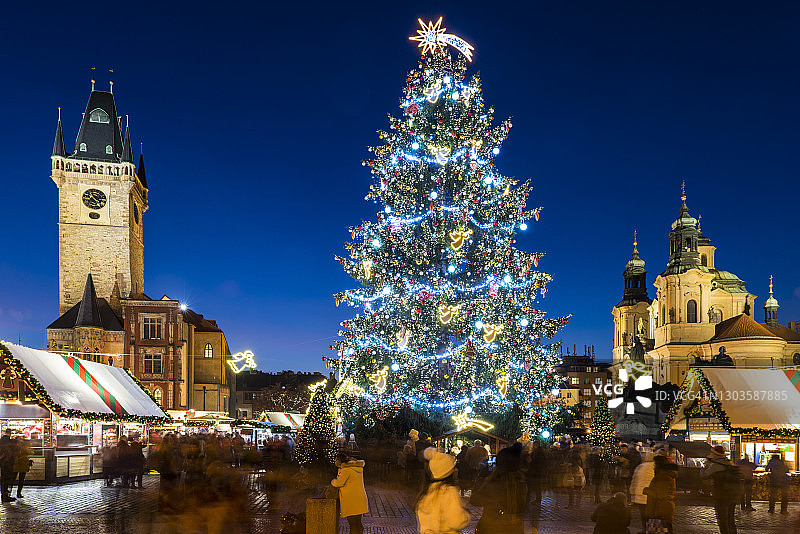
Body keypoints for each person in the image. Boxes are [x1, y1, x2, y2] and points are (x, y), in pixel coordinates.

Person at [470, 443, 527, 533]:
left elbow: (474, 500)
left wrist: (479, 481)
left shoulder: (494, 483)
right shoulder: (521, 482)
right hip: (515, 528)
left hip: (493, 527)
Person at [416, 447, 470, 534]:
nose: (456, 470)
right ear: (448, 472)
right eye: (454, 468)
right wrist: (466, 515)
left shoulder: (427, 491)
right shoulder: (449, 491)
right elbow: (456, 521)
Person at [703, 445, 740, 534]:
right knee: (730, 519)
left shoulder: (715, 465)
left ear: (714, 454)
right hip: (733, 494)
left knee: (723, 520)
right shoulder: (729, 462)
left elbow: (704, 475)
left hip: (721, 495)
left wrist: (707, 463)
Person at [330, 452, 368, 534]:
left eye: (336, 460)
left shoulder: (346, 470)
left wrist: (333, 481)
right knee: (357, 522)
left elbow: (339, 483)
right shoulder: (356, 468)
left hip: (352, 500)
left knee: (352, 523)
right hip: (359, 498)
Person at [644, 455, 677, 534]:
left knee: (658, 531)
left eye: (655, 464)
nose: (653, 466)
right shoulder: (664, 475)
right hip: (661, 509)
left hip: (660, 510)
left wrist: (647, 490)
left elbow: (660, 494)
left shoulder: (663, 477)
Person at [629, 452, 655, 532]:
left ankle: (644, 529)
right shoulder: (655, 467)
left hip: (639, 495)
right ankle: (650, 530)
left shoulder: (640, 466)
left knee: (643, 514)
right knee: (651, 514)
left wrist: (632, 491)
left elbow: (634, 480)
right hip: (650, 495)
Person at [0, 430, 17, 502]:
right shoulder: (9, 442)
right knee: (7, 479)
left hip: (3, 462)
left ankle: (4, 495)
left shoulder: (2, 440)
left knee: (4, 479)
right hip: (7, 462)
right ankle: (5, 496)